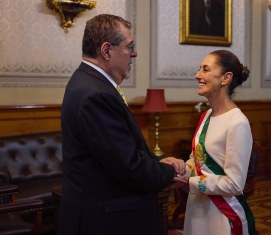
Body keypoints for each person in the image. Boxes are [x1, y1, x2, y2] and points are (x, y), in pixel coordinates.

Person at [58, 14, 185, 235]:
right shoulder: (96, 94)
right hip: (107, 220)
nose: (134, 53)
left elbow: (120, 149)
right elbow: (129, 167)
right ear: (107, 51)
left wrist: (158, 161)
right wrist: (170, 172)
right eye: (130, 47)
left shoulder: (87, 82)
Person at [178, 50, 255, 235]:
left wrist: (190, 182)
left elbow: (235, 184)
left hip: (222, 215)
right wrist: (180, 170)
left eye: (205, 69)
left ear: (225, 78)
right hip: (198, 208)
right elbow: (197, 159)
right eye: (199, 69)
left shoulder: (237, 122)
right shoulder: (207, 115)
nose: (198, 75)